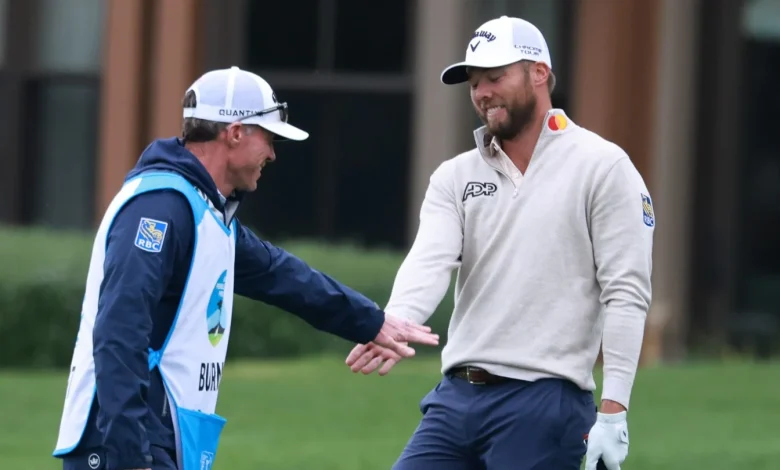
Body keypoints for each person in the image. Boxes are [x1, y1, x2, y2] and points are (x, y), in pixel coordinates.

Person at [52, 66, 439, 470]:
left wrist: (371, 321)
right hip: (123, 441)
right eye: (269, 139)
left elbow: (283, 276)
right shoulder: (160, 207)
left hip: (159, 434)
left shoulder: (204, 210)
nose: (272, 154)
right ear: (235, 133)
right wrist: (132, 456)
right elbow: (118, 332)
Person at [345, 15, 654, 470]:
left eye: (495, 77)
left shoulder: (603, 166)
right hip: (455, 400)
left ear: (539, 74)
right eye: (473, 82)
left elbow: (626, 291)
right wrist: (393, 322)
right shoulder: (455, 175)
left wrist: (614, 412)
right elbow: (428, 262)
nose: (482, 92)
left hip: (546, 401)